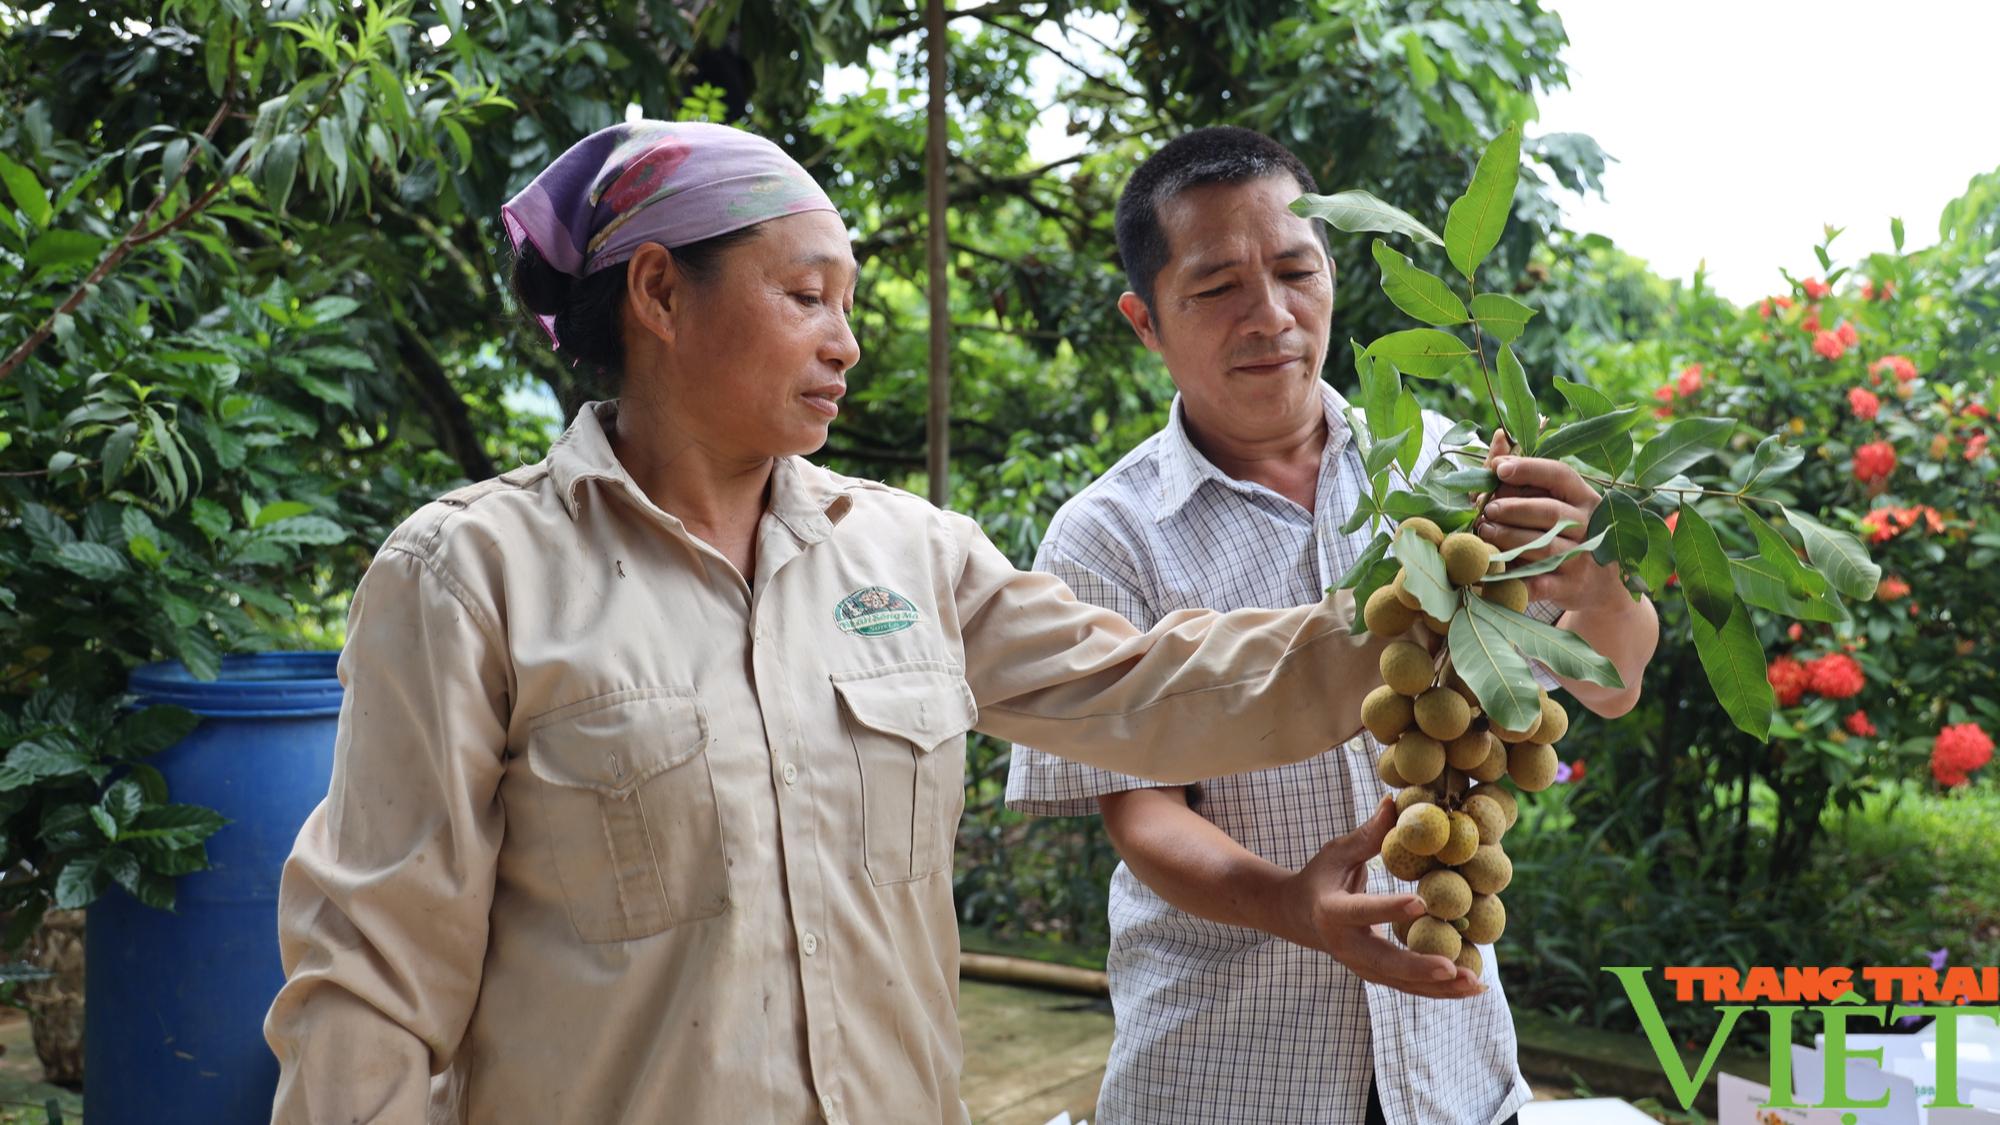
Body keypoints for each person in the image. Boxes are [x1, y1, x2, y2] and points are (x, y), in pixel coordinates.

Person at [262, 121, 1438, 1125]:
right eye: (805, 296)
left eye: (849, 303)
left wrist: (1440, 604)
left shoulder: (909, 556)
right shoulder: (471, 576)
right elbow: (371, 979)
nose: (845, 341)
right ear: (660, 292)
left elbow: (1146, 690)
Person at [1005, 126, 1661, 1125]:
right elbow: (1138, 812)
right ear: (1145, 320)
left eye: (1293, 271)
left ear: (1331, 272)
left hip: (1451, 1071)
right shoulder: (1105, 537)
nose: (1269, 317)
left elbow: (1608, 686)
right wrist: (1288, 905)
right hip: (1223, 1071)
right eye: (1216, 287)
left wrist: (1595, 578)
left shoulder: (1443, 476)